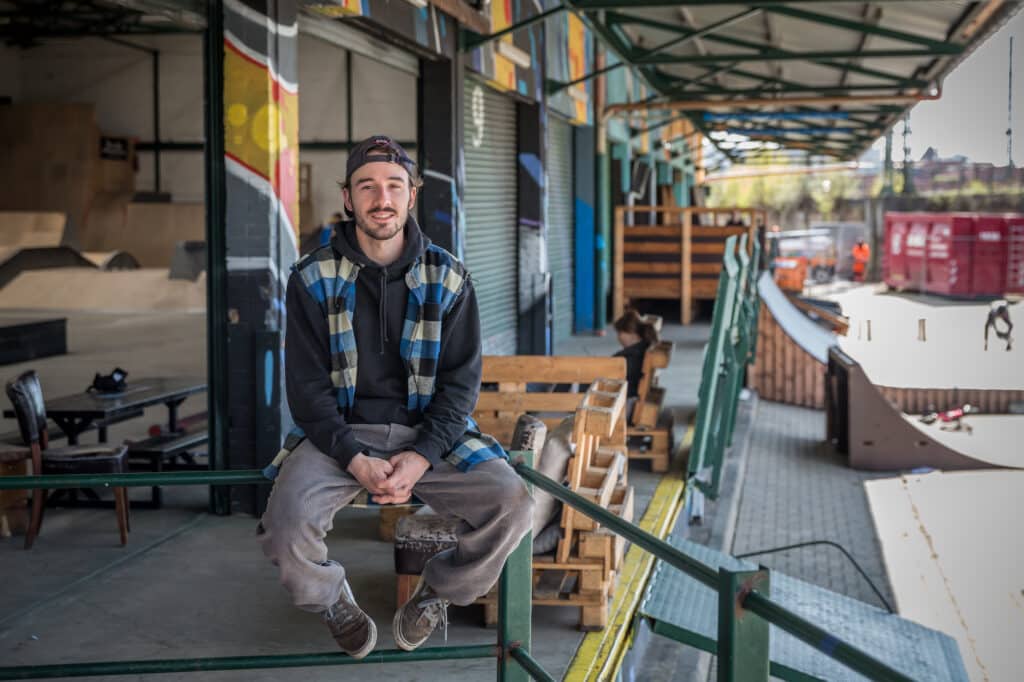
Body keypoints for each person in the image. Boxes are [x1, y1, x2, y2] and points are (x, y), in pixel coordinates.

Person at [259, 135, 533, 659]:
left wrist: (423, 453)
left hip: (432, 433)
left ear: (412, 195)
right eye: (367, 186)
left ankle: (439, 592)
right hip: (340, 436)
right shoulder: (311, 277)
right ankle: (330, 597)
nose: (380, 198)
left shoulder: (449, 278)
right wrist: (352, 457)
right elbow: (307, 388)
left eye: (393, 186)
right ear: (348, 198)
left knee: (513, 504)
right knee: (284, 522)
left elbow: (460, 384)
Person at [613, 309, 660, 401]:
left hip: (624, 398)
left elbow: (612, 372)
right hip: (628, 393)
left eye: (620, 333)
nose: (618, 337)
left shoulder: (631, 357)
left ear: (633, 334)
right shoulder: (643, 348)